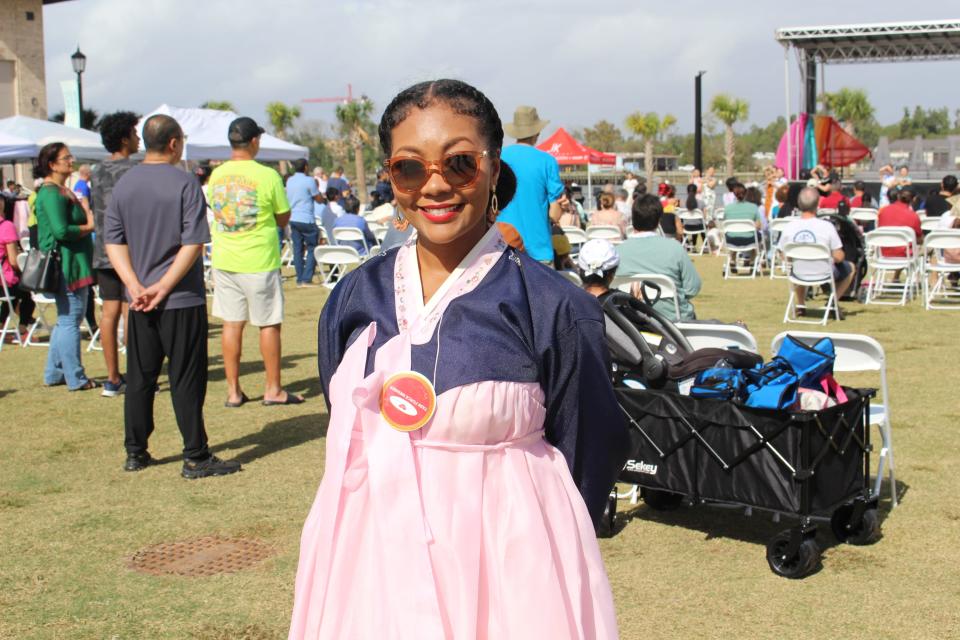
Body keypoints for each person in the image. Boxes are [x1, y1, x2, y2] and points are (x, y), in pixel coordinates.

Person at [289, 79, 627, 639]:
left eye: (459, 163)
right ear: (391, 178)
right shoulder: (352, 299)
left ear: (494, 169)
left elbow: (590, 449)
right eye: (410, 168)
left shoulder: (552, 306)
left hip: (509, 573)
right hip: (369, 562)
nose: (436, 185)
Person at [103, 114, 241, 478]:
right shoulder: (185, 183)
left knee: (140, 377)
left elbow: (113, 242)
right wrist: (164, 286)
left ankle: (136, 451)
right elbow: (192, 243)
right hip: (180, 298)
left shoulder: (124, 184)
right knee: (186, 378)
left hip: (139, 300)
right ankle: (195, 454)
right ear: (175, 144)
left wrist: (134, 285)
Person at [208, 116, 303, 407]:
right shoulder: (267, 175)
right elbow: (283, 215)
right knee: (269, 324)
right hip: (259, 259)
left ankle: (233, 391)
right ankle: (272, 388)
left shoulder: (216, 175)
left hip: (225, 258)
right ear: (253, 141)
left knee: (231, 324)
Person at [34, 143, 97, 390]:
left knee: (66, 319)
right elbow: (61, 230)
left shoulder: (61, 190)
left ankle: (55, 372)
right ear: (52, 164)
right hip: (66, 264)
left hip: (74, 262)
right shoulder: (50, 193)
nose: (71, 161)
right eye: (66, 158)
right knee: (71, 318)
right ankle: (75, 376)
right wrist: (89, 227)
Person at [90, 110, 140, 397]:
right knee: (134, 311)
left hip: (104, 250)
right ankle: (137, 373)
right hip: (131, 251)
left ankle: (112, 377)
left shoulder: (96, 171)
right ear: (124, 139)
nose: (137, 139)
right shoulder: (134, 170)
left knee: (109, 313)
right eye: (134, 134)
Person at [615, 193, 702, 320]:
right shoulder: (674, 248)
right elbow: (692, 288)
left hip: (631, 320)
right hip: (673, 321)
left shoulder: (617, 252)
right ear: (658, 220)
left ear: (633, 219)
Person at [497, 105, 564, 264]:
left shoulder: (499, 158)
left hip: (502, 248)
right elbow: (555, 213)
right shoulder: (547, 161)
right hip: (539, 251)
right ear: (537, 132)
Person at [777, 187, 855, 314]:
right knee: (850, 267)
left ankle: (801, 304)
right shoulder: (827, 227)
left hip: (797, 272)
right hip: (824, 272)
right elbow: (839, 256)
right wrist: (833, 258)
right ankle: (832, 302)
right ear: (818, 203)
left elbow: (782, 252)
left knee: (798, 260)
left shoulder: (789, 227)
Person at [285, 158, 325, 287]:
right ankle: (306, 279)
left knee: (297, 249)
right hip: (306, 219)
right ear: (306, 167)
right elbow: (318, 199)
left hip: (293, 218)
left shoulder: (289, 180)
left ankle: (299, 279)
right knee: (312, 247)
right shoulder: (309, 181)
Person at [0, 209, 35, 341]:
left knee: (11, 295)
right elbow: (14, 261)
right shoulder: (6, 226)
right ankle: (22, 329)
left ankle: (1, 325)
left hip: (4, 285)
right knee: (28, 290)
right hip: (4, 281)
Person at [878, 187, 921, 259]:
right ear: (914, 199)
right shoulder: (913, 216)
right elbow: (919, 239)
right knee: (930, 247)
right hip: (905, 255)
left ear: (898, 196)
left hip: (884, 253)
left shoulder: (883, 211)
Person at [722, 183, 763, 247]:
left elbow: (725, 224)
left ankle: (733, 256)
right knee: (758, 235)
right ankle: (752, 256)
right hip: (749, 239)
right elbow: (759, 226)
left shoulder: (727, 208)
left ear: (734, 194)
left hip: (731, 239)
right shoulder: (753, 207)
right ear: (746, 193)